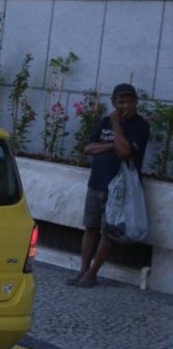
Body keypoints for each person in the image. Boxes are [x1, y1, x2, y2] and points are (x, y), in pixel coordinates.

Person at [73, 83, 150, 287]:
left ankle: (92, 273)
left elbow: (125, 151)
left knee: (109, 231)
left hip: (119, 188)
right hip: (96, 183)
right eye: (121, 102)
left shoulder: (140, 126)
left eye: (130, 102)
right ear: (114, 102)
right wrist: (110, 145)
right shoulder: (104, 121)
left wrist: (116, 125)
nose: (126, 106)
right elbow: (88, 148)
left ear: (136, 103)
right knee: (91, 227)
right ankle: (82, 270)